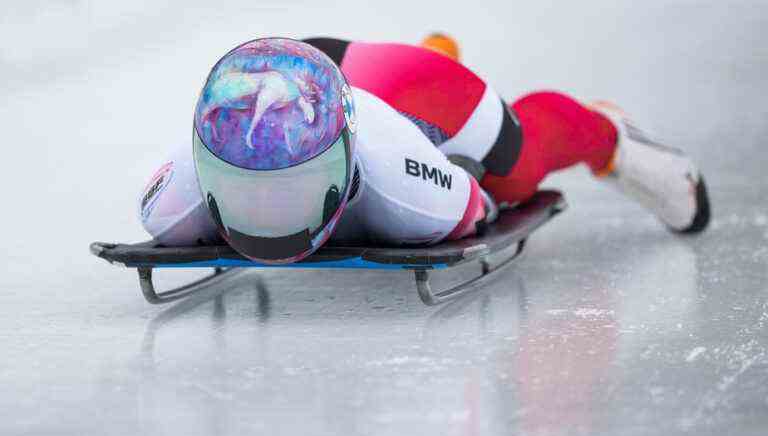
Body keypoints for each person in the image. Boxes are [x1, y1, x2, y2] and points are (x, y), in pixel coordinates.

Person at [138, 35, 709, 263]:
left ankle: (609, 135)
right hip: (301, 73)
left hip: (422, 90)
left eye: (285, 191)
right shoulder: (173, 197)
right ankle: (434, 46)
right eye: (242, 188)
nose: (267, 214)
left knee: (516, 176)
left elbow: (478, 208)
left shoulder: (415, 196)